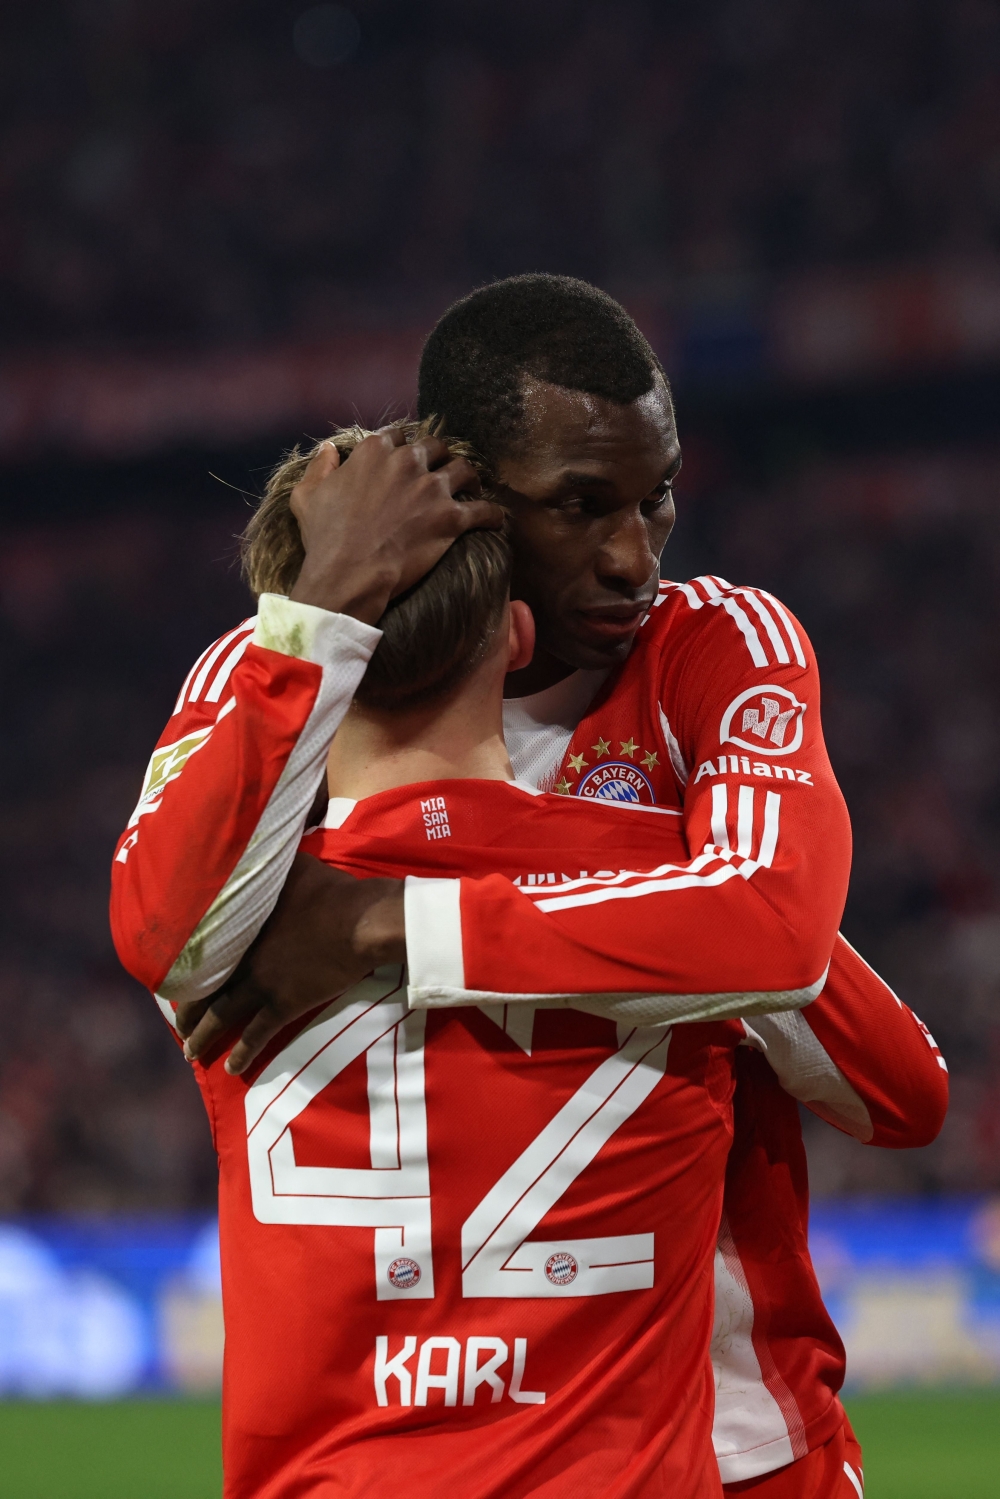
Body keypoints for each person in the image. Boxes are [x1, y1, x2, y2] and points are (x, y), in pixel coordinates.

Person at [111, 278, 948, 1497]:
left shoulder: (709, 647)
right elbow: (160, 937)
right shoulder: (277, 665)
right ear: (463, 495)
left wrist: (388, 920)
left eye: (655, 496)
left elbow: (793, 959)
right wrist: (664, 906)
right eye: (579, 507)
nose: (634, 556)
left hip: (733, 1434)